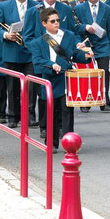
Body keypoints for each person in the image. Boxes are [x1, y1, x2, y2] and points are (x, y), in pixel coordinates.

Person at [29, 8, 89, 153]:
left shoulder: (68, 35)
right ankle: (51, 142)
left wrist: (85, 55)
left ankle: (70, 143)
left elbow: (74, 55)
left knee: (67, 112)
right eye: (52, 21)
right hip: (49, 80)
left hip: (65, 78)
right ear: (44, 23)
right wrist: (51, 65)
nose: (56, 23)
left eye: (57, 20)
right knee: (51, 113)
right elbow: (37, 61)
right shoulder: (38, 42)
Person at [23, 0, 74, 138]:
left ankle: (60, 128)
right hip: (43, 61)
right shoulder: (33, 11)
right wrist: (40, 49)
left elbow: (72, 32)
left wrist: (77, 47)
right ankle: (44, 127)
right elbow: (27, 36)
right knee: (44, 96)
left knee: (62, 98)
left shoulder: (65, 9)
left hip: (62, 61)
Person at [0, 0, 38, 128]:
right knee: (12, 87)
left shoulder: (36, 6)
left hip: (31, 53)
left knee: (31, 87)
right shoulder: (5, 6)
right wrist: (5, 35)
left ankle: (30, 115)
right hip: (12, 52)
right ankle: (13, 116)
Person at [73, 0, 110, 111]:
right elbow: (74, 27)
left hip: (103, 44)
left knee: (104, 73)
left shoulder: (106, 8)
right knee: (86, 73)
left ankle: (104, 100)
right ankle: (85, 102)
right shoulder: (79, 8)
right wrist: (85, 27)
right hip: (86, 44)